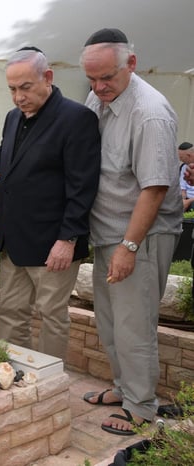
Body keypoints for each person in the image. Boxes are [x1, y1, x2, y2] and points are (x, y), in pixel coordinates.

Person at [79, 28, 181, 436]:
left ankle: (141, 406)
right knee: (110, 322)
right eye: (92, 79)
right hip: (107, 233)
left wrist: (129, 246)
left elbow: (154, 189)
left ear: (131, 64)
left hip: (138, 236)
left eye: (107, 78)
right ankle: (123, 389)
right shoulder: (98, 96)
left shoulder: (150, 112)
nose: (99, 87)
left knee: (135, 325)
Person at [0, 47, 101, 360]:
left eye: (25, 87)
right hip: (14, 241)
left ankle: (49, 383)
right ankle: (15, 377)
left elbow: (83, 187)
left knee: (52, 317)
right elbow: (4, 158)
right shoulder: (13, 117)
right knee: (10, 313)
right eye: (12, 89)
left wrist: (67, 239)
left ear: (48, 78)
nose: (18, 97)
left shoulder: (77, 118)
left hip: (54, 243)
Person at [178, 142, 194, 212]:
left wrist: (189, 201)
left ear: (189, 155)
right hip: (187, 199)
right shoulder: (184, 167)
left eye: (181, 157)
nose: (180, 160)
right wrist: (183, 200)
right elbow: (182, 188)